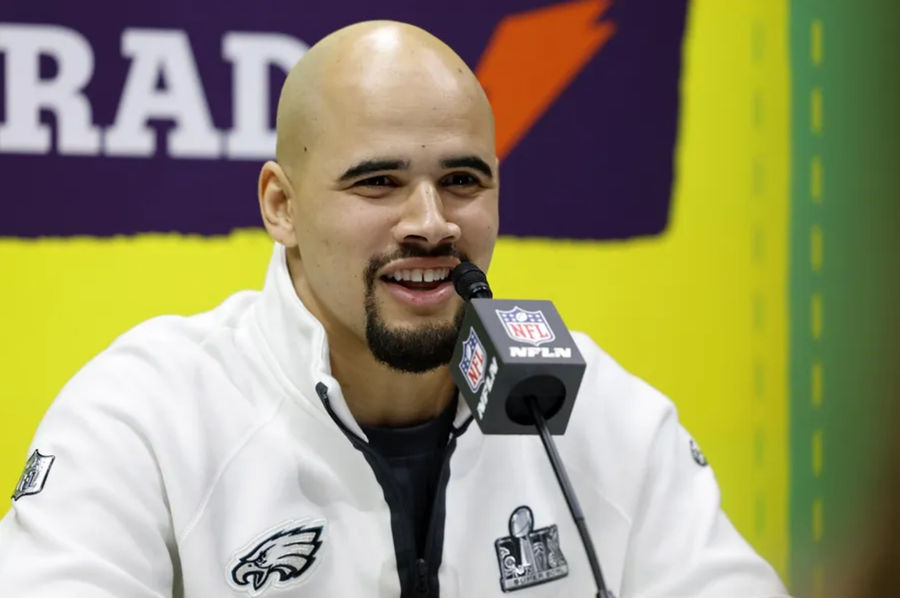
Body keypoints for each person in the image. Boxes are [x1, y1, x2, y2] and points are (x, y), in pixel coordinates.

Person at [0, 21, 789, 597]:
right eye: (377, 182)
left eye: (463, 181)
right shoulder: (145, 413)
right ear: (281, 205)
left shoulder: (592, 410)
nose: (432, 222)